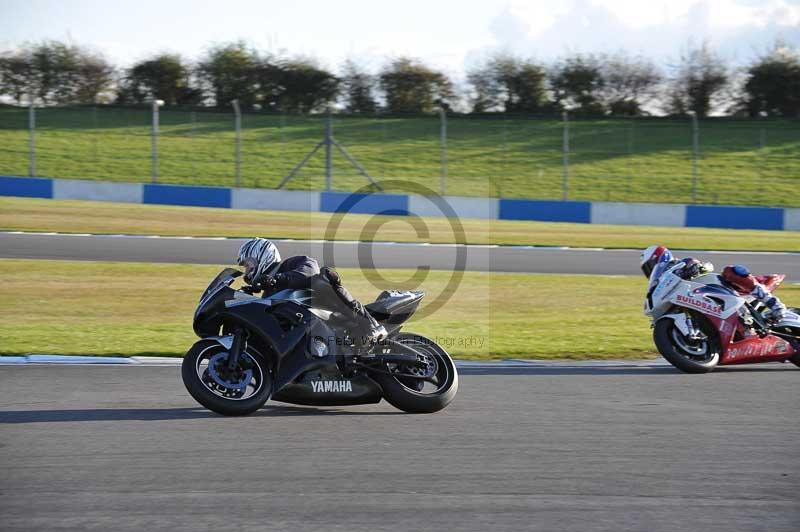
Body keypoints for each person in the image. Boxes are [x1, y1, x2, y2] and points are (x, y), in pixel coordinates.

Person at [236, 237, 387, 342]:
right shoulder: (268, 293)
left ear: (263, 256)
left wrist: (278, 278)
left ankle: (371, 324)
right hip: (310, 331)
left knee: (325, 277)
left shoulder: (291, 264)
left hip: (331, 313)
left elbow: (309, 271)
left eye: (248, 264)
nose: (247, 270)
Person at [640, 245, 787, 322]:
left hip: (718, 288)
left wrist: (697, 267)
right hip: (699, 300)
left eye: (649, 265)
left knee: (730, 270)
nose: (650, 271)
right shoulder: (663, 284)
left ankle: (774, 304)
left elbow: (706, 266)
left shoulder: (678, 265)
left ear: (659, 258)